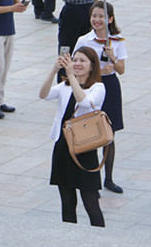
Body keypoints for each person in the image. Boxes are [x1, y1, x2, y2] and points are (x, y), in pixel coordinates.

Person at [39, 47, 105, 227]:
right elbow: (43, 94)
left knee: (91, 203)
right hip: (63, 146)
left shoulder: (98, 87)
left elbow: (84, 101)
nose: (77, 64)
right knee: (67, 203)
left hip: (85, 147)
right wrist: (54, 70)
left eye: (82, 61)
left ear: (92, 66)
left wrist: (72, 77)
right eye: (75, 60)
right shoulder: (64, 85)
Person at [74, 1, 127, 194]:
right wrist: (98, 70)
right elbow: (75, 67)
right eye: (94, 16)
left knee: (109, 134)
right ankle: (90, 178)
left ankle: (109, 178)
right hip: (91, 87)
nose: (97, 20)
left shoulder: (117, 40)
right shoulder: (84, 41)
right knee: (90, 132)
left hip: (110, 87)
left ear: (110, 19)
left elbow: (121, 70)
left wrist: (113, 57)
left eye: (101, 16)